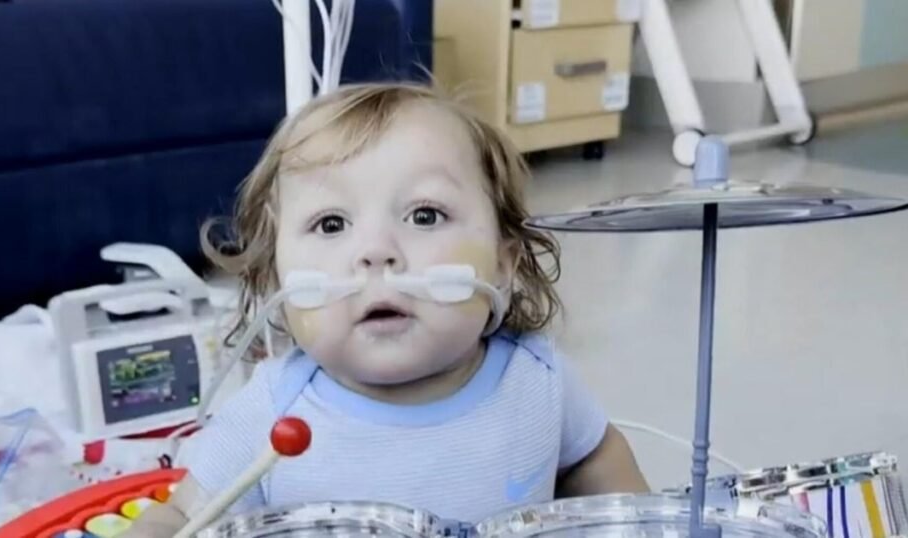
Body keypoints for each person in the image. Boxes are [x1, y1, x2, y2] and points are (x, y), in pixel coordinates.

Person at [126, 83, 648, 537]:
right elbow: (184, 515)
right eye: (331, 224)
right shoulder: (271, 412)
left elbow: (595, 459)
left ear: (502, 266)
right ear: (277, 280)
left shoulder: (538, 382)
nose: (376, 251)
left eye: (425, 215)